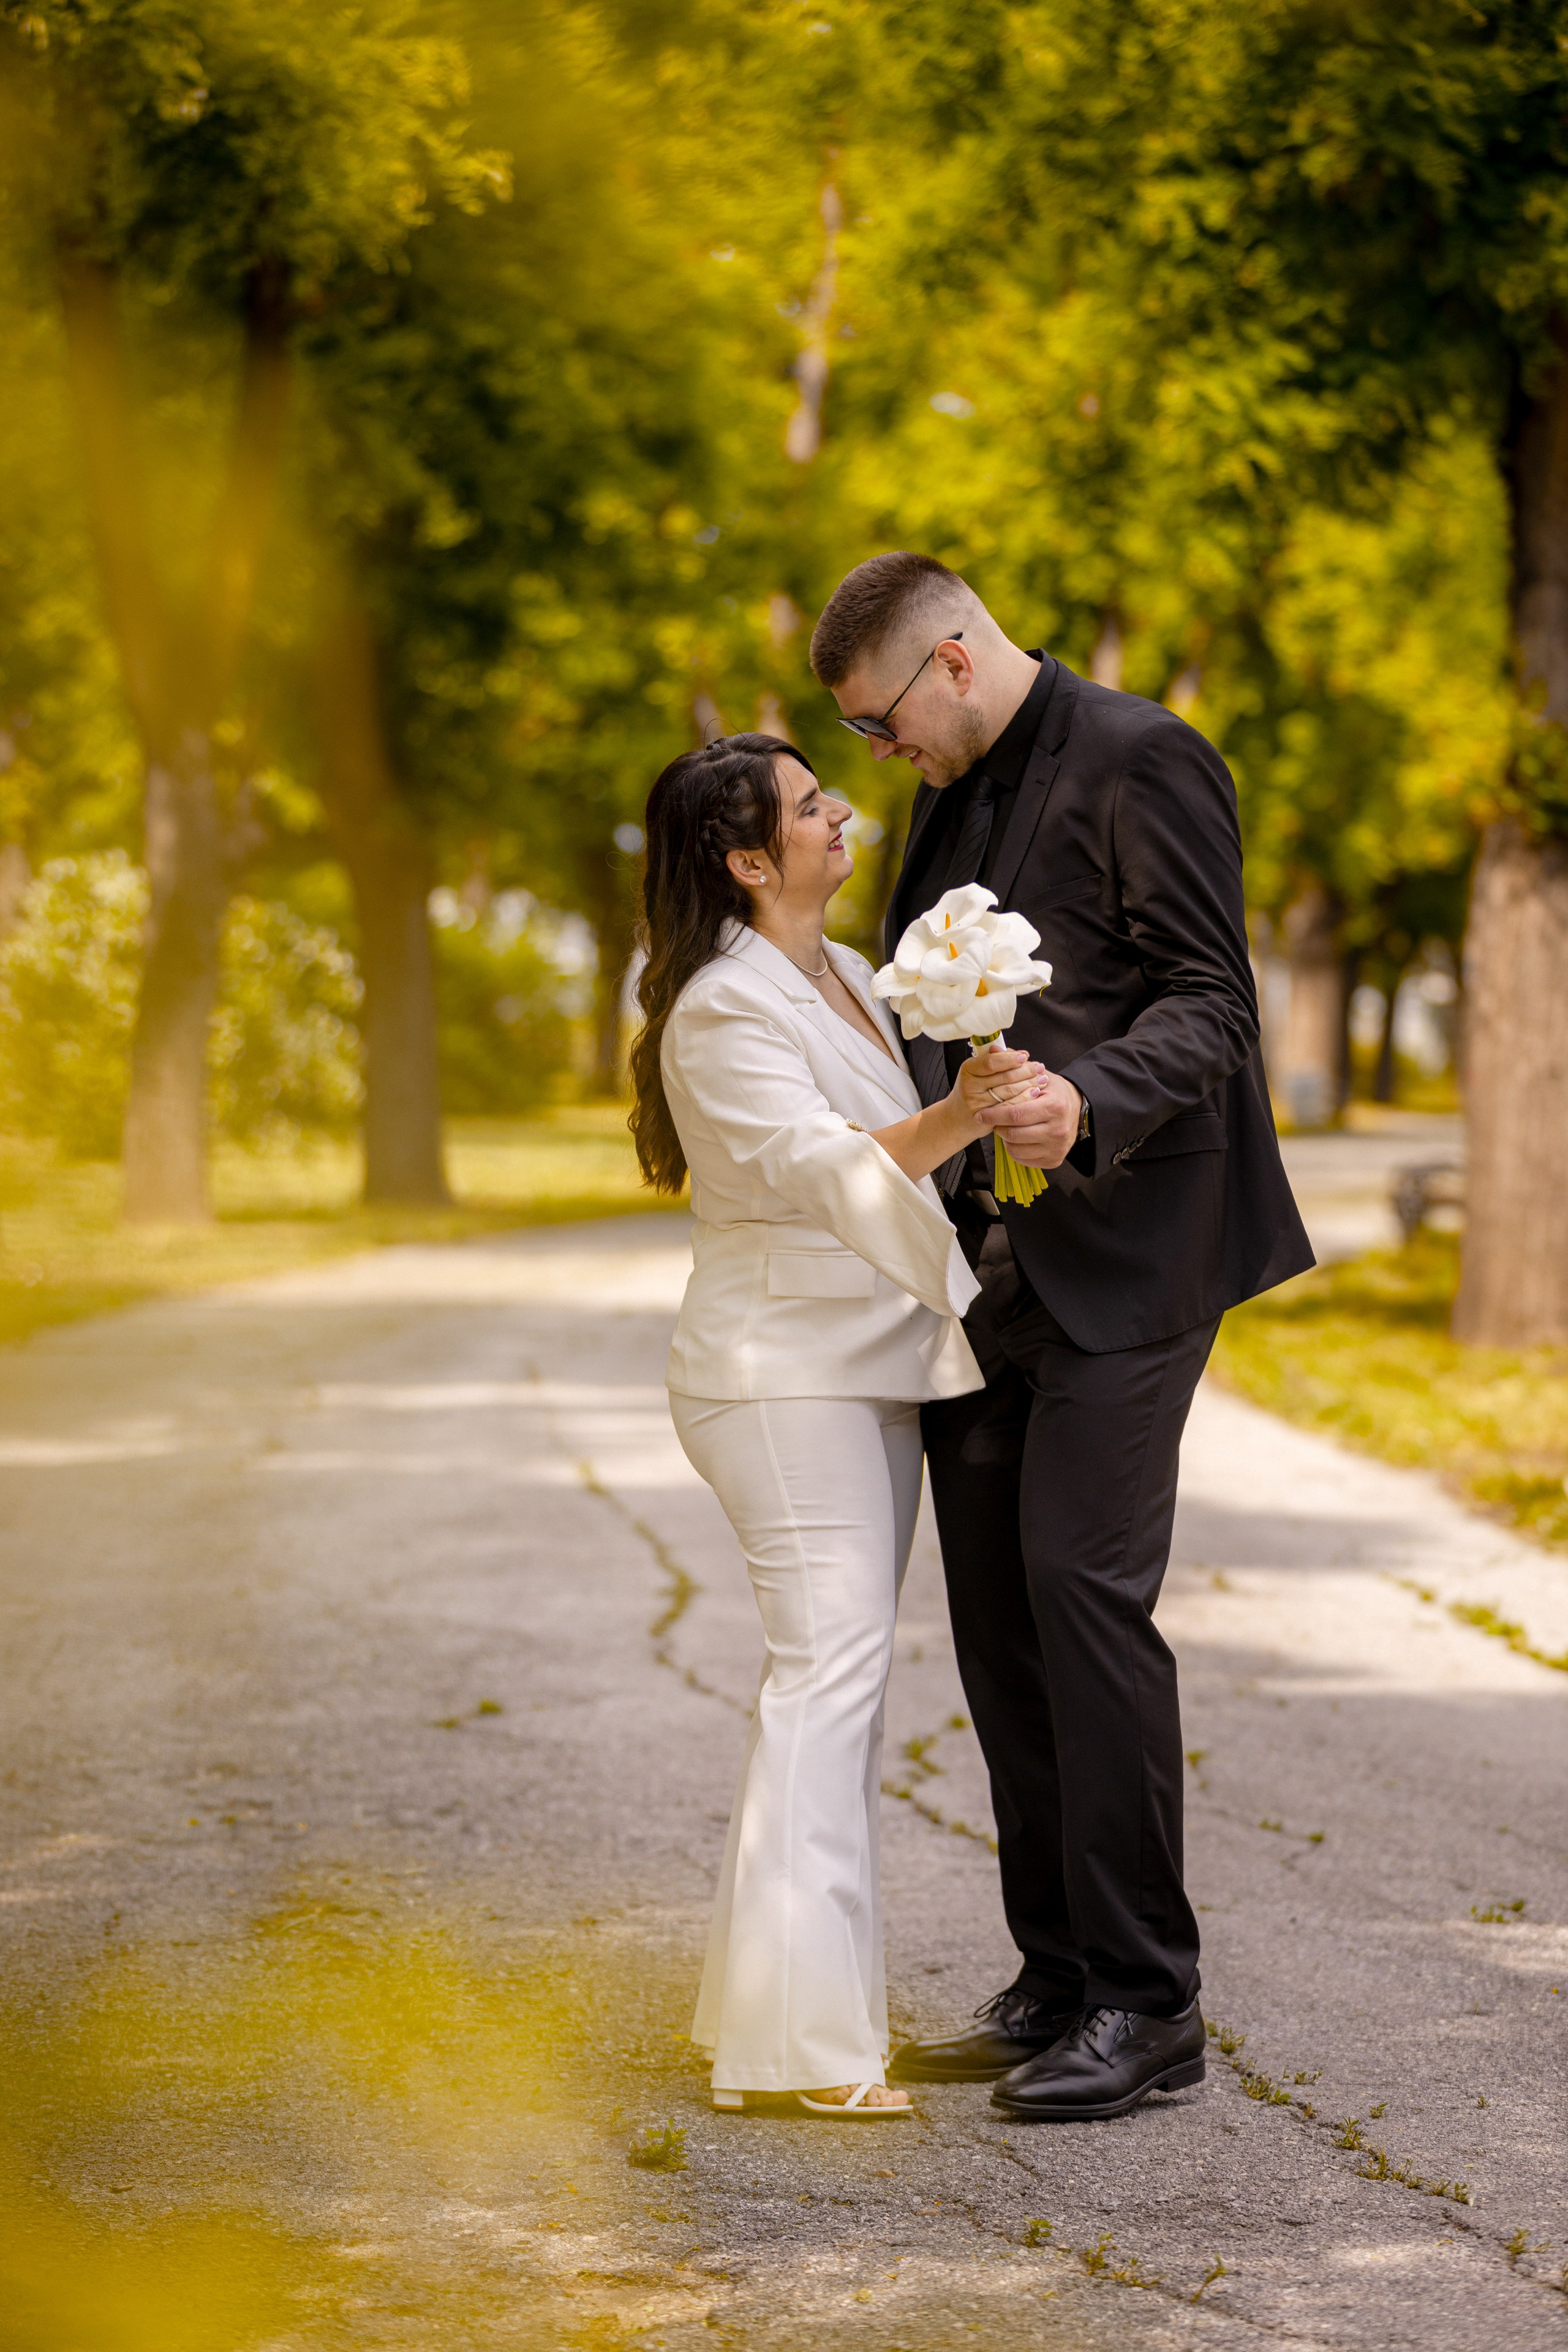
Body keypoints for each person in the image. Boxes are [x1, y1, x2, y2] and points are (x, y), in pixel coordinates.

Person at [811, 552, 1314, 2122]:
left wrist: (1084, 1099)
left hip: (1135, 1242)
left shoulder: (1142, 754)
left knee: (1079, 1593)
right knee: (991, 1616)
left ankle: (1148, 2002)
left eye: (881, 723)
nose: (875, 760)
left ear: (950, 661)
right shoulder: (944, 792)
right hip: (988, 1265)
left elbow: (1208, 1002)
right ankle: (1056, 1970)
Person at [630, 731, 1043, 2117]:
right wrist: (954, 1117)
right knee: (829, 1682)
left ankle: (762, 2019)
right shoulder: (718, 1010)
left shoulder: (850, 975)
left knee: (829, 1694)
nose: (842, 812)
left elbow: (894, 1160)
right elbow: (815, 1171)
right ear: (748, 860)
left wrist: (973, 1109)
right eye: (813, 807)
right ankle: (804, 2053)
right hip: (777, 1376)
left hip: (864, 1366)